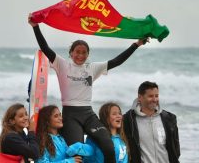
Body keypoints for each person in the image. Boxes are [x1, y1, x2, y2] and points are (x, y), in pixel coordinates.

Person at [28, 14, 147, 163]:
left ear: (88, 54)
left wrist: (136, 44)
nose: (80, 55)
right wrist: (35, 27)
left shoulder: (92, 68)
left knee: (108, 145)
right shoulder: (62, 65)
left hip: (88, 114)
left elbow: (117, 61)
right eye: (77, 52)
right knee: (77, 155)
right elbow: (45, 48)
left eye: (84, 52)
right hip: (71, 116)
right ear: (71, 53)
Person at [123, 81, 180, 163]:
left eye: (156, 96)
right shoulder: (129, 120)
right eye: (150, 96)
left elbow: (176, 149)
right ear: (140, 97)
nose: (154, 99)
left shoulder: (169, 118)